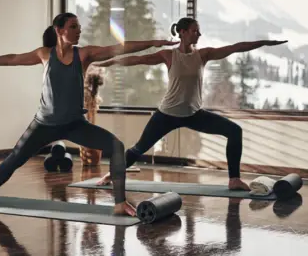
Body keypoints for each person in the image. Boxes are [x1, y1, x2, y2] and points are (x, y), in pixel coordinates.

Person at [0, 12, 178, 217]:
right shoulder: (44, 54)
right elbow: (12, 59)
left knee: (116, 146)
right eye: (73, 27)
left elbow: (119, 49)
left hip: (75, 125)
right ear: (59, 30)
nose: (78, 31)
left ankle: (119, 203)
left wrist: (154, 42)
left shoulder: (84, 54)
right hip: (43, 125)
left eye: (79, 27)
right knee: (15, 159)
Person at [94, 17, 287, 191]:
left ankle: (234, 179)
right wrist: (109, 63)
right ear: (183, 33)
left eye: (199, 31)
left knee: (235, 131)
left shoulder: (203, 55)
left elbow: (235, 47)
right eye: (195, 31)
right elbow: (138, 60)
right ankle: (111, 175)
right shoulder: (168, 56)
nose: (199, 34)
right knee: (138, 149)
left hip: (194, 114)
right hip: (167, 115)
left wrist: (264, 43)